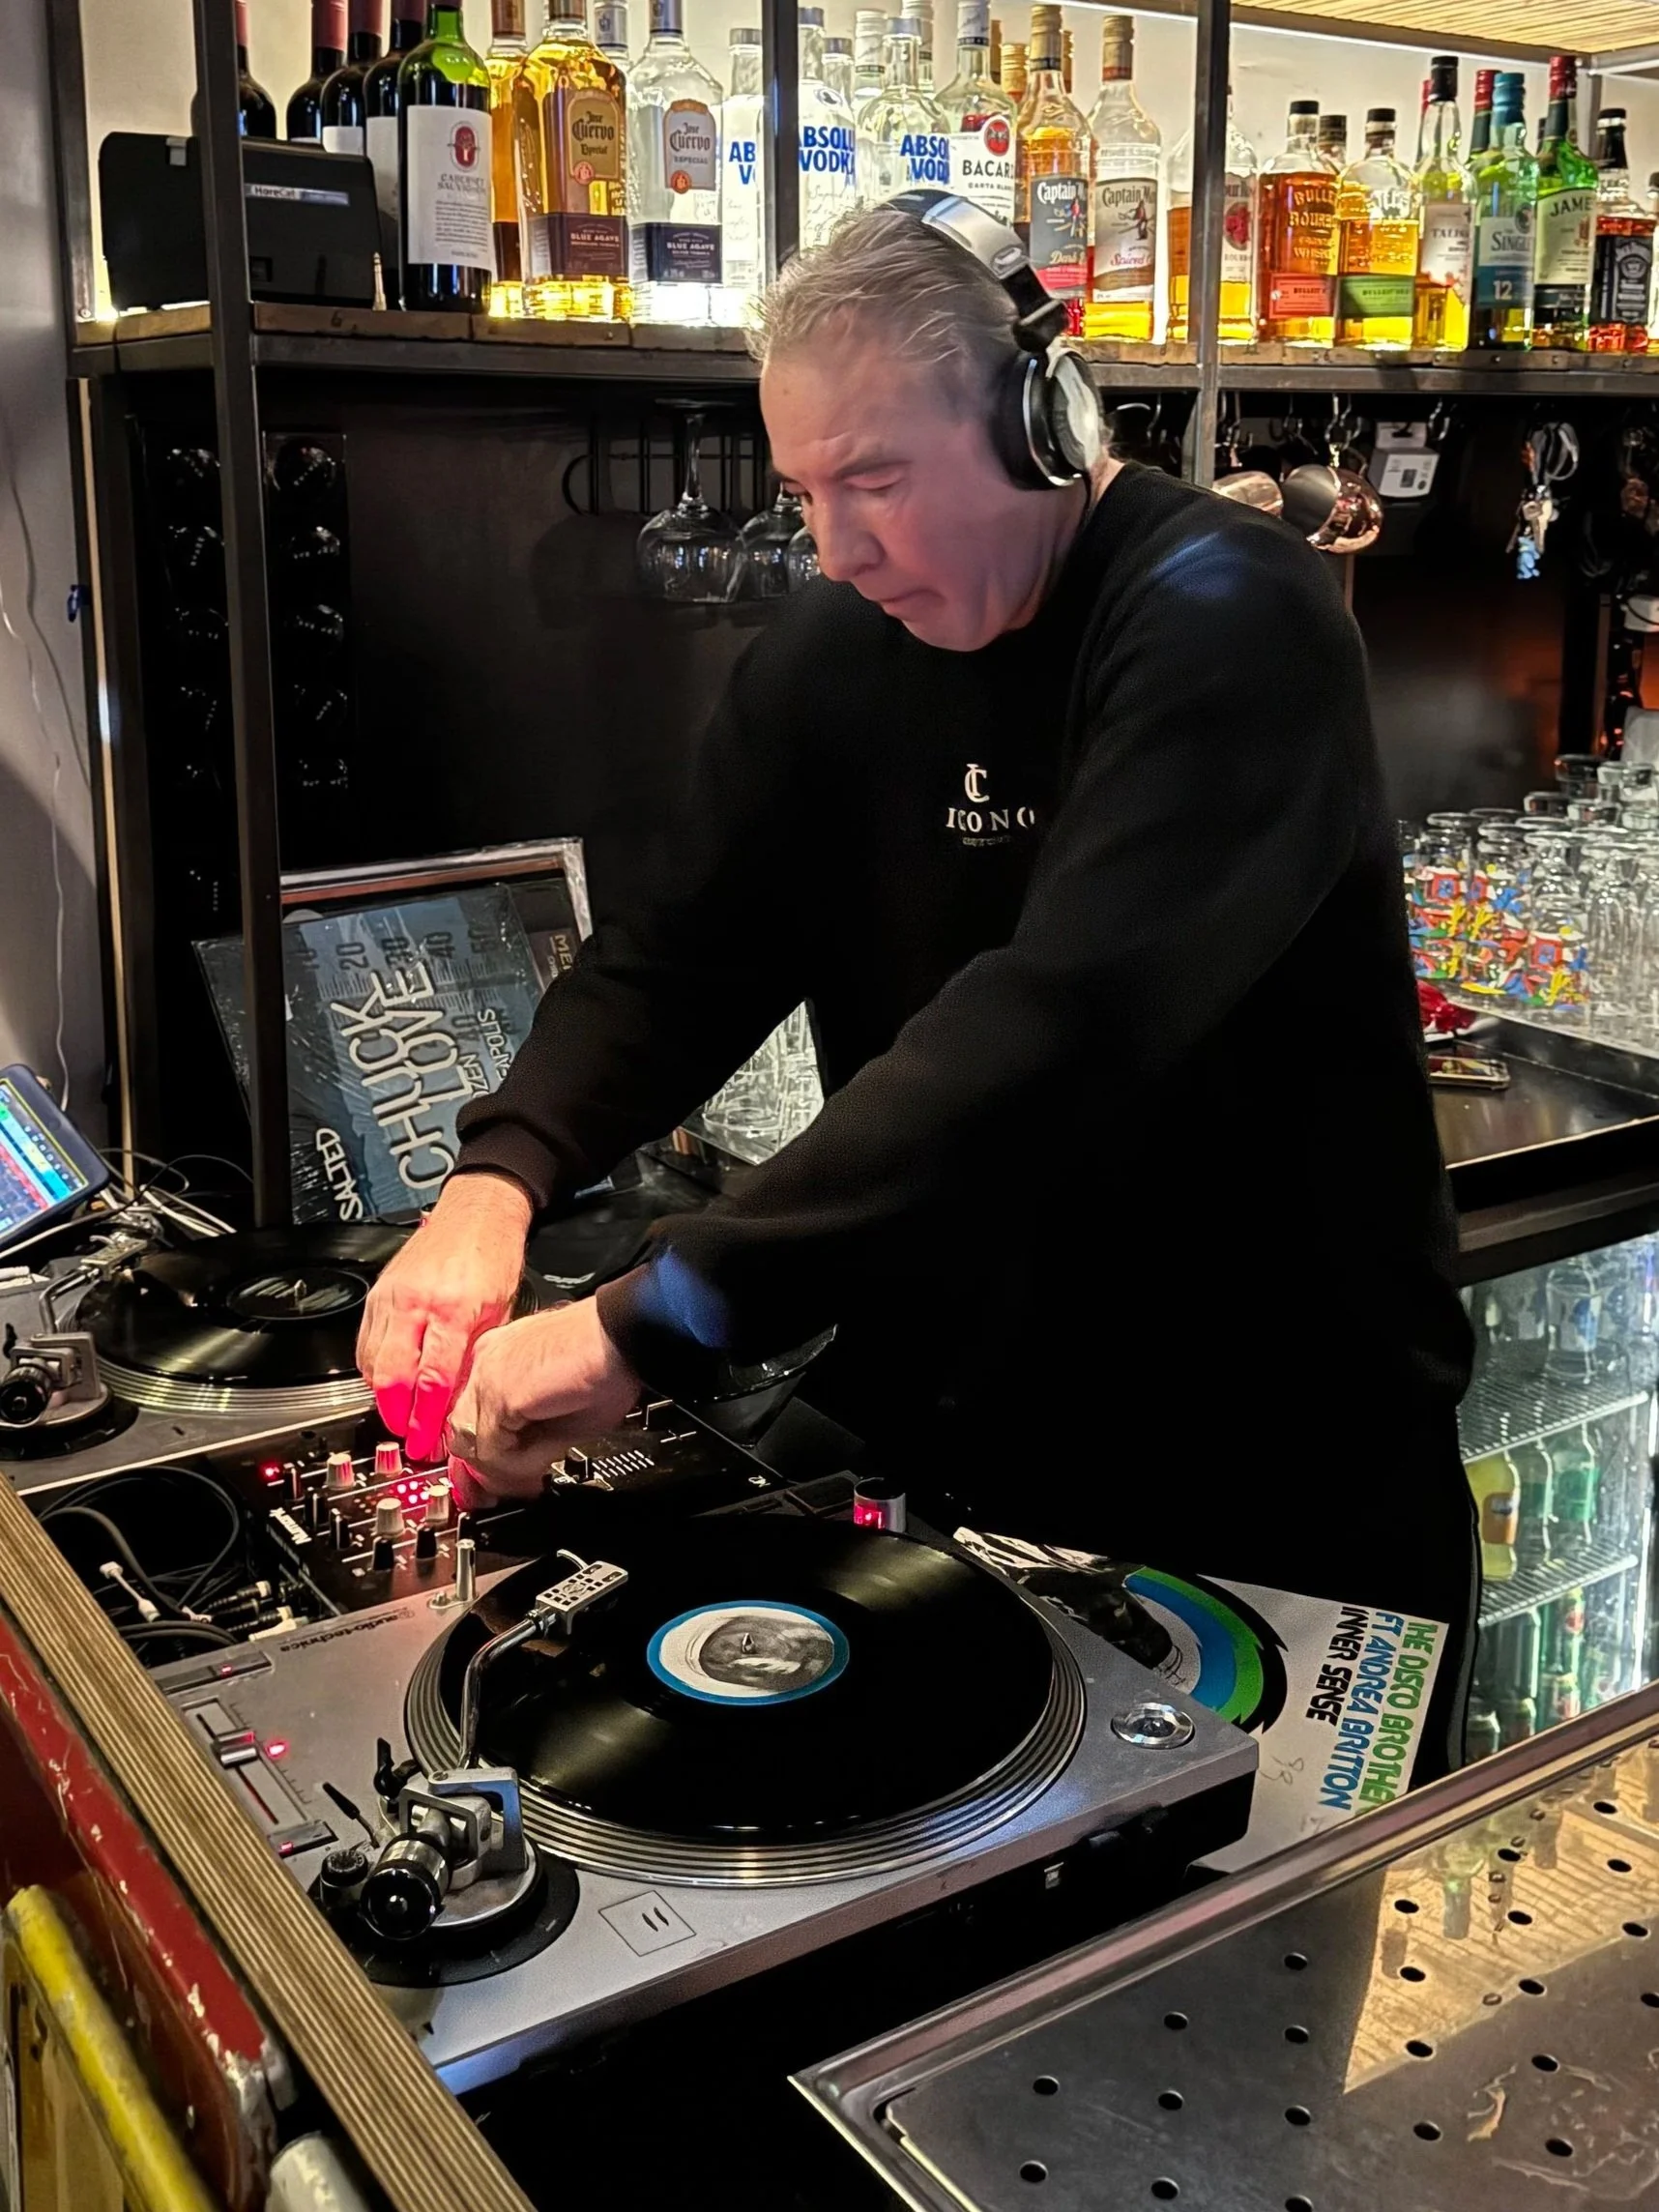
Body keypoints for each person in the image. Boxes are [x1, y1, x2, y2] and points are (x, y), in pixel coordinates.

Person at [357, 194, 1477, 1773]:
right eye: (806, 490)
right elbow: (682, 950)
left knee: (1241, 2002)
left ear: (1040, 423)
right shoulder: (834, 650)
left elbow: (1058, 1032)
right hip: (975, 1452)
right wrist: (498, 1179)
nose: (837, 545)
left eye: (876, 480)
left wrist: (651, 1319)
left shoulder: (1234, 617)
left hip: (1273, 1481)